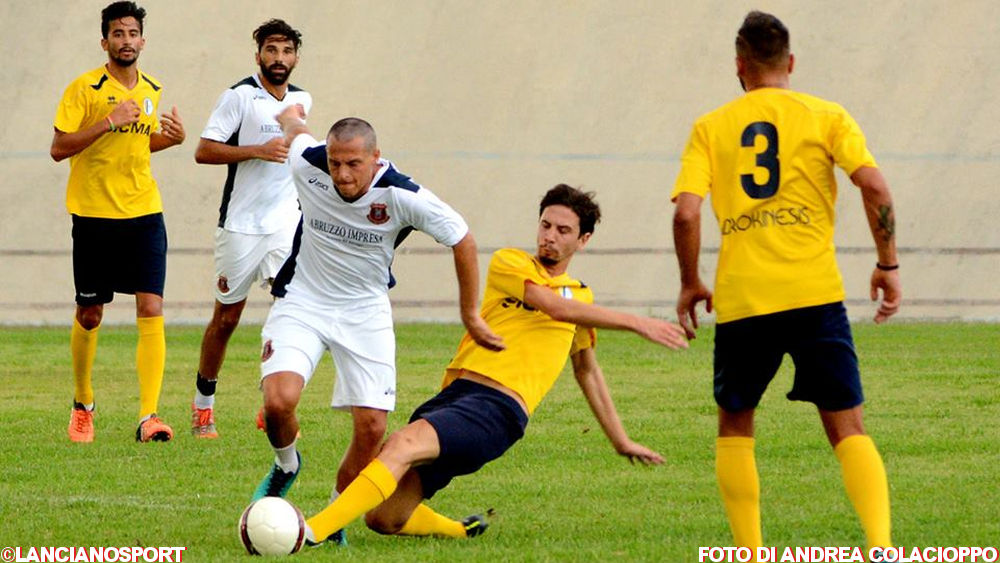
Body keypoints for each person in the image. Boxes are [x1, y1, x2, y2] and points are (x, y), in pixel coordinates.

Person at [301, 184, 689, 545]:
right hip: (454, 397)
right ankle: (461, 530)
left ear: (583, 239)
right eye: (545, 225)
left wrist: (620, 440)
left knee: (402, 444)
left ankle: (310, 533)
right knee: (383, 518)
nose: (550, 236)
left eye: (563, 230)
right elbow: (551, 306)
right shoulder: (512, 262)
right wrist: (637, 321)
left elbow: (587, 369)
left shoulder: (582, 300)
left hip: (499, 410)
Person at [671, 11, 899, 554]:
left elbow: (685, 213)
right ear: (790, 62)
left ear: (739, 66)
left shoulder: (712, 125)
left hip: (746, 299)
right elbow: (874, 187)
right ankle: (881, 546)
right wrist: (887, 263)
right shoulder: (827, 116)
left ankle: (749, 551)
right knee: (848, 426)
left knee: (735, 423)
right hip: (813, 293)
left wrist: (690, 281)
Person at [252, 106, 505, 544]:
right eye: (335, 163)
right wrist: (290, 114)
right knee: (279, 402)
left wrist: (470, 314)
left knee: (372, 426)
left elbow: (462, 238)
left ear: (375, 158)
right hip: (304, 301)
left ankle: (333, 520)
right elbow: (296, 131)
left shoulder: (401, 195)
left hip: (364, 312)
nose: (342, 175)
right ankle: (286, 465)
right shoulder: (307, 162)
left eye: (353, 164)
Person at [51, 1, 185, 444]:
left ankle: (149, 416)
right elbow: (59, 147)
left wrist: (171, 139)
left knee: (151, 307)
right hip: (93, 216)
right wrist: (108, 120)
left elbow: (139, 144)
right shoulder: (84, 88)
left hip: (144, 213)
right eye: (118, 34)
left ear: (143, 41)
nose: (126, 41)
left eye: (133, 33)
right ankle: (82, 403)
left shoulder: (151, 89)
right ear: (105, 41)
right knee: (90, 314)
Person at [190, 19, 312, 440]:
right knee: (227, 318)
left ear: (297, 57)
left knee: (291, 313)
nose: (279, 59)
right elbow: (203, 151)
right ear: (258, 53)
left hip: (286, 225)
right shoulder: (239, 97)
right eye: (272, 50)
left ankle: (272, 405)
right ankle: (203, 407)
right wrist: (257, 151)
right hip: (241, 226)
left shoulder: (302, 100)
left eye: (287, 51)